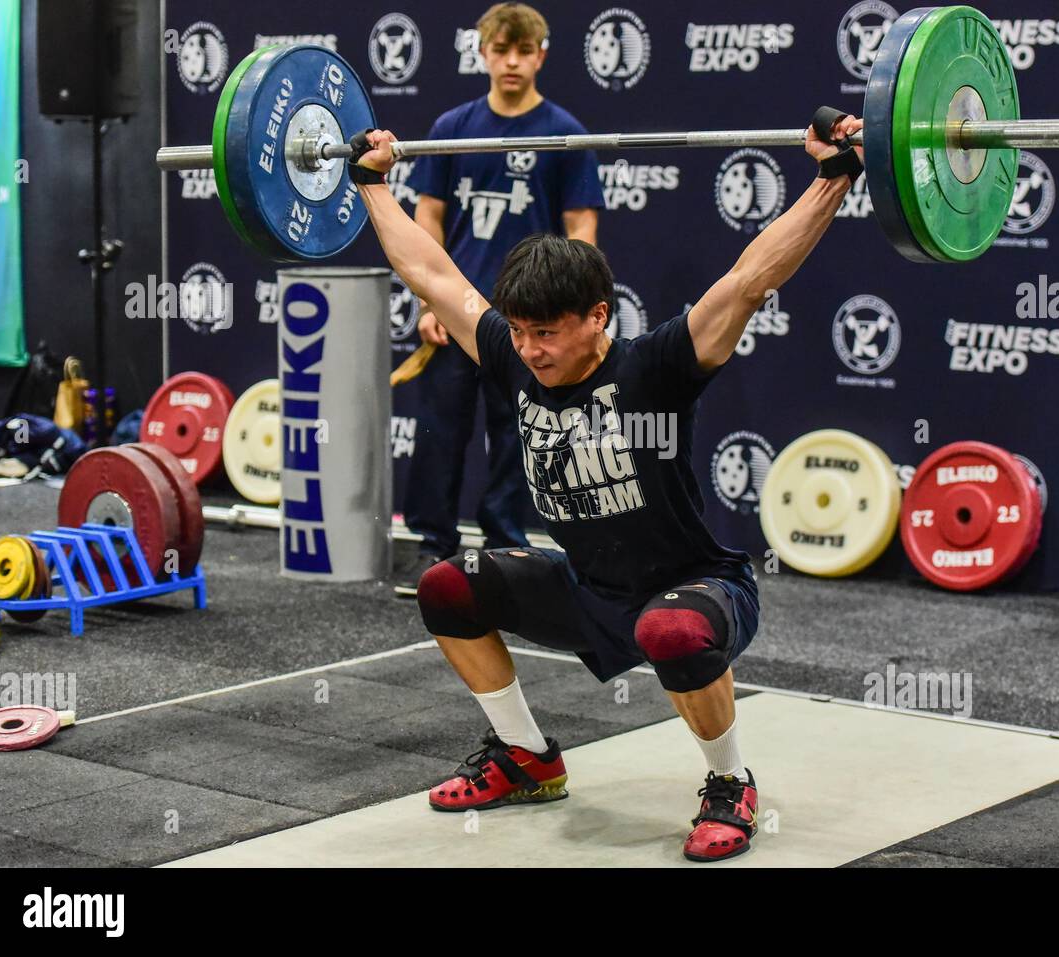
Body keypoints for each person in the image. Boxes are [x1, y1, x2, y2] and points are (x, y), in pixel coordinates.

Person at [350, 109, 864, 861]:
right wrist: (373, 188)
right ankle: (526, 756)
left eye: (547, 333)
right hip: (591, 590)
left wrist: (834, 176)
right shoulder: (514, 353)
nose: (530, 350)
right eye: (520, 332)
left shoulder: (656, 366)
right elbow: (431, 274)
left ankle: (729, 783)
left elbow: (752, 279)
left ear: (598, 316)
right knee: (447, 585)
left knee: (670, 631)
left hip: (697, 590)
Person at [396, 2, 604, 596]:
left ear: (541, 55)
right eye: (500, 50)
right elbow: (426, 218)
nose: (511, 62)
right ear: (482, 53)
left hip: (529, 324)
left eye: (523, 51)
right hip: (457, 315)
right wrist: (430, 301)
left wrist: (564, 315)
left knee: (517, 437)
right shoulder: (452, 128)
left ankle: (504, 547)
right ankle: (433, 548)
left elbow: (581, 227)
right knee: (439, 431)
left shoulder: (564, 133)